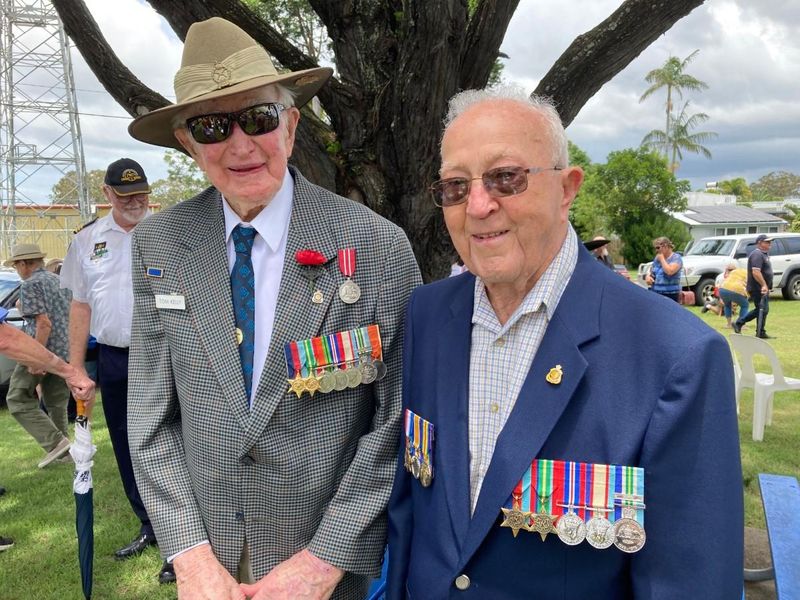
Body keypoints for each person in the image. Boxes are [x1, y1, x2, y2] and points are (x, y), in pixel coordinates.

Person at [387, 86, 743, 599]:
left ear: (567, 188)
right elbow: (413, 509)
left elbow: (690, 582)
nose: (479, 206)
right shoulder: (427, 315)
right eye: (456, 186)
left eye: (505, 177)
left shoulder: (674, 356)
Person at [126, 17, 421, 599]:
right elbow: (150, 417)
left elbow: (397, 424)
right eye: (212, 127)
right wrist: (189, 556)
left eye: (259, 118)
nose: (240, 145)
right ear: (188, 142)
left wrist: (323, 560)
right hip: (210, 574)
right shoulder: (158, 244)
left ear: (290, 122)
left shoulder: (376, 246)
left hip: (326, 577)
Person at [60, 158, 172, 583]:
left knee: (175, 439)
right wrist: (75, 368)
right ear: (106, 195)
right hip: (114, 356)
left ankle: (186, 535)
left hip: (165, 352)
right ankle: (149, 524)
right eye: (124, 196)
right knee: (126, 444)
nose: (135, 202)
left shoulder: (168, 231)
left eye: (140, 193)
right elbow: (80, 307)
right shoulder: (87, 241)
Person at [0, 304, 94, 553]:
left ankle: (59, 443)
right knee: (44, 403)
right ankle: (59, 443)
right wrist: (67, 370)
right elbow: (6, 338)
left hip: (49, 353)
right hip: (58, 352)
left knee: (50, 403)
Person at [3, 244, 73, 468]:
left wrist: (37, 359)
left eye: (16, 266)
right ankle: (64, 454)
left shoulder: (31, 284)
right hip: (64, 351)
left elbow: (43, 323)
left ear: (24, 264)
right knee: (56, 402)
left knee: (17, 399)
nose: (17, 270)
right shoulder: (58, 281)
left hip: (40, 349)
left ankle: (55, 443)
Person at [734, 234, 773, 338]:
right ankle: (740, 322)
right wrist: (764, 285)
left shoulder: (764, 254)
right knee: (762, 309)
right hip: (757, 288)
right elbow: (756, 272)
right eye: (767, 242)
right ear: (759, 243)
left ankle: (760, 332)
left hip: (762, 288)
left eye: (770, 242)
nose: (770, 244)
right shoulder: (757, 254)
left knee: (763, 309)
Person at [644, 236, 683, 302]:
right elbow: (652, 270)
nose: (656, 250)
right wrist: (648, 277)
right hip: (655, 292)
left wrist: (662, 259)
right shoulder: (657, 258)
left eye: (658, 248)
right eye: (655, 248)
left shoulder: (676, 258)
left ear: (665, 246)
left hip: (671, 294)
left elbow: (670, 271)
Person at [715, 263, 748, 328]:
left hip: (723, 290)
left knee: (727, 305)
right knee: (745, 305)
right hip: (736, 289)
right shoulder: (745, 273)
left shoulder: (726, 275)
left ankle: (729, 324)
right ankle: (742, 325)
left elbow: (719, 286)